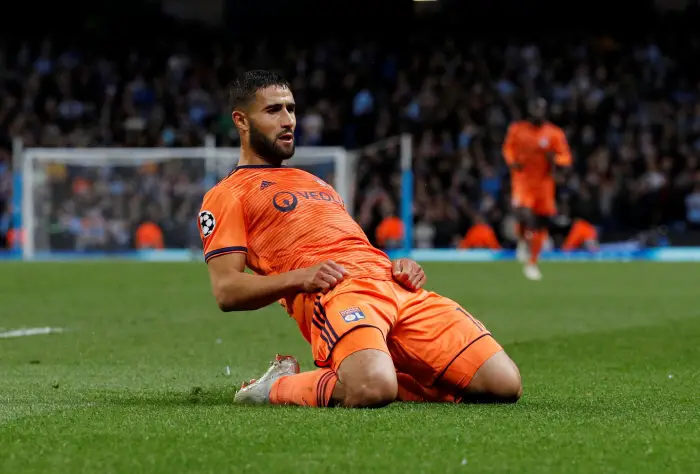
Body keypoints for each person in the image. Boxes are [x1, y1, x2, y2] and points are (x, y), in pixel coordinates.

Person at [199, 70, 522, 408]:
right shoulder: (227, 195)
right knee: (372, 388)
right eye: (273, 111)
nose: (288, 120)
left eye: (291, 109)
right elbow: (227, 290)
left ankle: (377, 365)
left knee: (504, 384)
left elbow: (354, 247)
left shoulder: (317, 183)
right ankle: (278, 387)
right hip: (337, 293)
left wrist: (398, 264)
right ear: (241, 121)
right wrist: (302, 278)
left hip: (395, 287)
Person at [502, 98, 572, 280]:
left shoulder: (554, 133)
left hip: (544, 185)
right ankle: (523, 240)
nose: (537, 114)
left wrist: (554, 160)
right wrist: (512, 162)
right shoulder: (517, 130)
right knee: (525, 215)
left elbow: (565, 157)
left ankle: (532, 262)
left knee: (540, 223)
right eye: (534, 110)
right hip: (523, 181)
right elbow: (508, 149)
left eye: (541, 110)